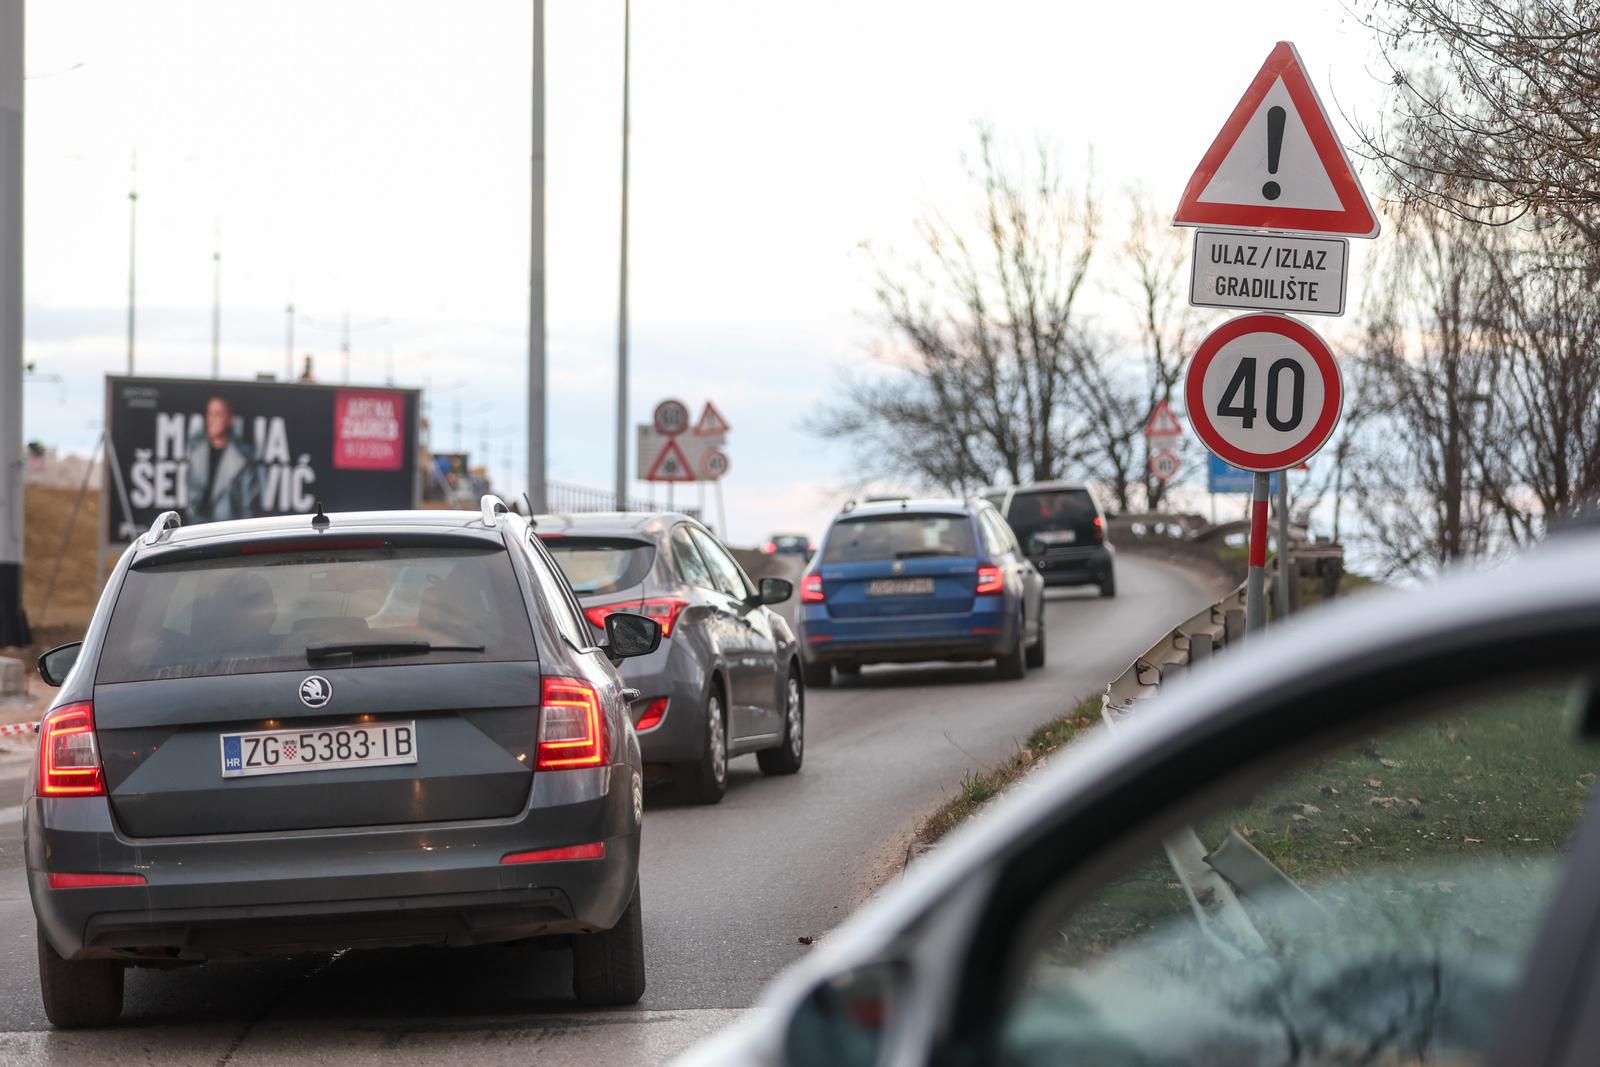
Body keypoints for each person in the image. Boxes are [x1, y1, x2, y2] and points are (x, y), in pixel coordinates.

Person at [185, 396, 259, 523]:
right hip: (197, 529)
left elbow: (249, 505)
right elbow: (192, 496)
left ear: (231, 420)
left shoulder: (243, 457)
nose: (211, 419)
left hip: (227, 531)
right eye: (210, 413)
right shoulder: (196, 450)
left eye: (218, 414)